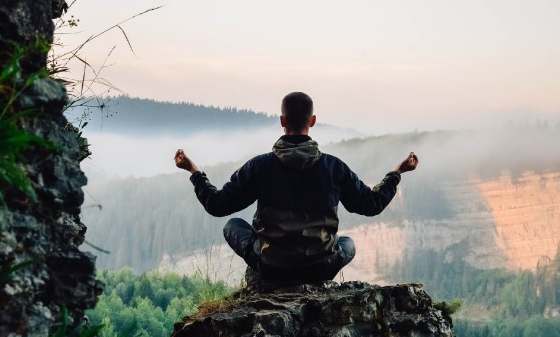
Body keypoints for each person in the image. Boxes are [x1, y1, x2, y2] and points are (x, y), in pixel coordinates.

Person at [174, 91, 418, 284]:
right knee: (348, 244)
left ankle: (267, 274)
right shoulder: (333, 167)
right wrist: (397, 173)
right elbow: (371, 204)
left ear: (282, 121)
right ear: (312, 121)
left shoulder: (260, 167)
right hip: (320, 268)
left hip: (272, 267)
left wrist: (193, 171)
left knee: (232, 226)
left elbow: (217, 205)